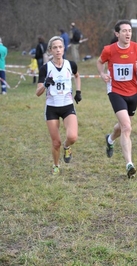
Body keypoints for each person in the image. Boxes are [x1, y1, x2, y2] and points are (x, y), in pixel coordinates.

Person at [96, 20, 137, 179]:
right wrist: (102, 74)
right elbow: (100, 62)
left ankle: (110, 138)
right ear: (117, 34)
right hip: (116, 91)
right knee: (127, 127)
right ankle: (129, 164)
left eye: (129, 31)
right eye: (124, 31)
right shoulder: (109, 50)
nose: (128, 33)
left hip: (133, 92)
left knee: (122, 126)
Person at [35, 36, 82, 175]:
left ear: (64, 49)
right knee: (56, 142)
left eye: (60, 47)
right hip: (52, 108)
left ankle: (67, 147)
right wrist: (45, 84)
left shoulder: (70, 64)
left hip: (67, 106)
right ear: (50, 50)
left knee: (72, 137)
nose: (58, 50)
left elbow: (77, 76)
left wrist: (78, 91)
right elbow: (38, 92)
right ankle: (56, 165)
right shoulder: (45, 68)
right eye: (54, 47)